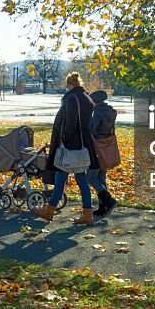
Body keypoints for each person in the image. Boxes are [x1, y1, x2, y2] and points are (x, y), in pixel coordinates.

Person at [33, 72, 96, 225]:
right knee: (81, 180)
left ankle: (49, 211)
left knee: (60, 177)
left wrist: (63, 140)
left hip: (69, 146)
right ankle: (87, 214)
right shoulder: (87, 99)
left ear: (69, 85)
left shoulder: (71, 99)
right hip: (82, 146)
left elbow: (69, 123)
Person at [88, 90, 119, 217]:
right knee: (101, 178)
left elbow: (92, 128)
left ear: (94, 101)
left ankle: (109, 201)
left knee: (90, 177)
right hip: (107, 147)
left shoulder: (98, 113)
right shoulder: (110, 111)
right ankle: (103, 207)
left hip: (97, 147)